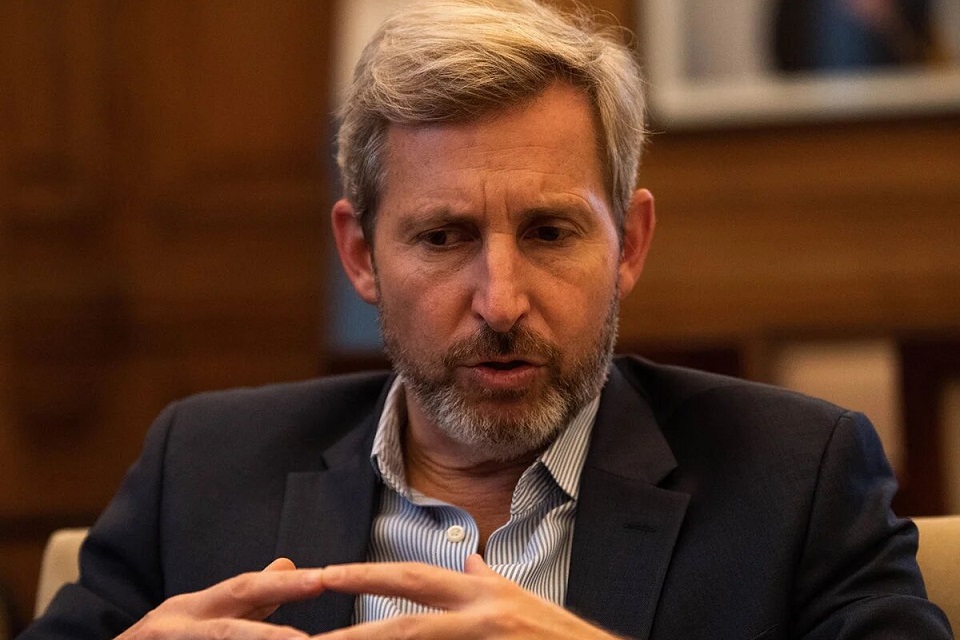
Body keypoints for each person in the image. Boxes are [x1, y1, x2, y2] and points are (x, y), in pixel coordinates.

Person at [20, 0, 954, 638]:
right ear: (361, 255)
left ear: (629, 243)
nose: (501, 301)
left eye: (549, 233)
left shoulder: (797, 478)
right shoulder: (203, 469)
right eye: (442, 237)